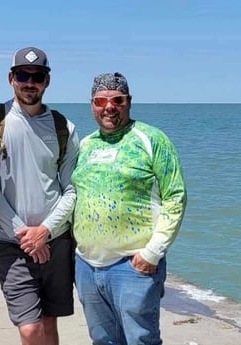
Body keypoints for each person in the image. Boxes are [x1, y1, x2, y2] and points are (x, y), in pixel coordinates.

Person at [72, 72, 187, 344]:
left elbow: (176, 196)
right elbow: (71, 195)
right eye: (101, 101)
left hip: (134, 266)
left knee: (140, 340)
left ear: (129, 102)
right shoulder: (85, 145)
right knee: (102, 340)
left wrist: (153, 252)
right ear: (92, 104)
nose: (109, 107)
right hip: (87, 266)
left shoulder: (152, 139)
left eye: (117, 100)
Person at [0, 47, 79, 345]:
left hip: (56, 241)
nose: (30, 82)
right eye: (23, 75)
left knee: (49, 323)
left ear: (46, 81)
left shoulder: (65, 128)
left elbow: (71, 189)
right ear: (11, 78)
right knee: (30, 328)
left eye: (37, 76)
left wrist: (46, 231)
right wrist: (24, 235)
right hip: (11, 243)